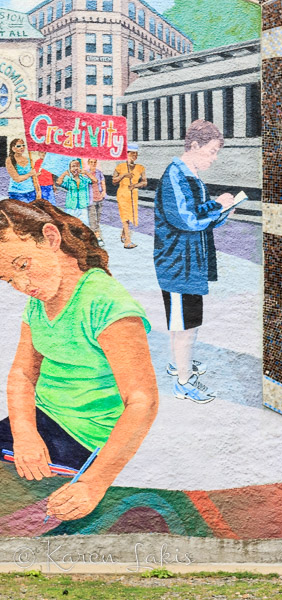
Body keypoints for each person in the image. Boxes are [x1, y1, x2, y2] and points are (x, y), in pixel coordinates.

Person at [0, 198, 158, 521]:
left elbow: (142, 401)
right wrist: (25, 431)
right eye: (9, 280)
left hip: (87, 441)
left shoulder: (104, 301)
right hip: (40, 423)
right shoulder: (38, 302)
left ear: (51, 238)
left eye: (23, 265)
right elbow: (22, 375)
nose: (22, 286)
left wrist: (94, 483)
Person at [154, 120, 240, 403]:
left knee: (181, 322)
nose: (214, 159)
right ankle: (183, 381)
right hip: (179, 263)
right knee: (187, 326)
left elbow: (197, 214)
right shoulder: (176, 177)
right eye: (212, 151)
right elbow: (188, 219)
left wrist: (221, 207)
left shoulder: (188, 174)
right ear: (194, 146)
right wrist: (218, 208)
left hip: (188, 261)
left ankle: (178, 363)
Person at [112, 143, 147, 249]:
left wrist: (136, 185)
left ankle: (123, 235)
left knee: (130, 216)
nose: (134, 156)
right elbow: (113, 181)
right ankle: (127, 241)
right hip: (122, 194)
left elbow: (144, 182)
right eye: (132, 154)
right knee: (125, 217)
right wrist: (123, 176)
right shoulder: (120, 167)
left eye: (136, 154)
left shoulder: (141, 168)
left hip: (133, 195)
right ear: (127, 155)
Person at [55, 159, 97, 227]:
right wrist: (65, 173)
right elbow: (58, 182)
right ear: (70, 169)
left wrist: (86, 173)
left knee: (84, 226)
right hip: (71, 207)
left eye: (77, 166)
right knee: (69, 226)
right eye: (73, 166)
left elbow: (95, 180)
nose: (75, 168)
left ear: (80, 168)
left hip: (82, 206)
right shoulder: (68, 179)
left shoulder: (84, 179)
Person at [5, 139, 37, 203]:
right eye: (19, 146)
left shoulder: (28, 159)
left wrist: (38, 191)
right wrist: (30, 174)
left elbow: (34, 177)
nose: (22, 147)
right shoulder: (9, 160)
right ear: (13, 148)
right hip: (17, 193)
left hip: (31, 191)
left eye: (23, 145)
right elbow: (17, 179)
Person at [86, 158, 106, 247]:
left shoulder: (99, 173)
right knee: (92, 219)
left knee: (97, 218)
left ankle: (93, 236)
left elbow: (103, 183)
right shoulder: (86, 173)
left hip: (99, 198)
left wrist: (103, 192)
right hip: (91, 199)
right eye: (91, 162)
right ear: (88, 163)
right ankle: (97, 238)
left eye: (95, 162)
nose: (93, 164)